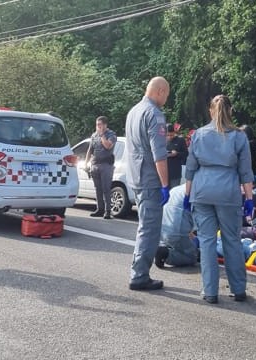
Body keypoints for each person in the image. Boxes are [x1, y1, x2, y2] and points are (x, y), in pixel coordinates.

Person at [184, 94, 254, 304]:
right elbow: (246, 172)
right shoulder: (239, 136)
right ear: (230, 111)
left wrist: (187, 195)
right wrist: (249, 199)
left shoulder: (198, 134)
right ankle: (238, 289)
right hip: (228, 192)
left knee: (206, 242)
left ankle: (210, 291)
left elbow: (190, 169)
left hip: (202, 191)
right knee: (231, 240)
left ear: (210, 111)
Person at [125, 77, 171, 291]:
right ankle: (139, 275)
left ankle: (138, 270)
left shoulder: (133, 111)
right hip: (150, 179)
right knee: (150, 229)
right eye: (167, 95)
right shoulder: (154, 114)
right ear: (160, 91)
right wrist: (165, 184)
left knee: (144, 226)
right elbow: (159, 154)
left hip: (135, 176)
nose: (166, 99)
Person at [154, 185, 198, 268]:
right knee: (192, 256)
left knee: (181, 242)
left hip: (163, 230)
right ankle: (166, 255)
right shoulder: (199, 191)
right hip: (176, 231)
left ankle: (165, 248)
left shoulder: (178, 189)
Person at [85, 116, 117, 219]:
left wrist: (102, 135)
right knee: (97, 188)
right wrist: (86, 163)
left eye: (100, 125)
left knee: (106, 188)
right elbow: (90, 150)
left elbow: (108, 146)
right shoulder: (94, 135)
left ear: (105, 125)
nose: (98, 127)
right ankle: (100, 209)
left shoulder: (111, 135)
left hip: (106, 165)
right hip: (95, 164)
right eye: (97, 125)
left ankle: (108, 211)